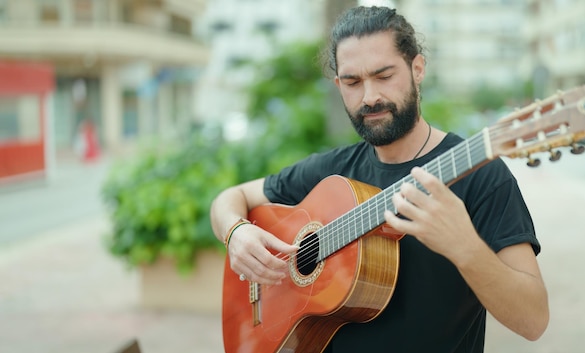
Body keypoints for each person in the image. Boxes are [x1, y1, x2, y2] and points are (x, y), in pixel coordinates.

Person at [210, 5, 549, 353]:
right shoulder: (331, 172)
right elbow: (230, 197)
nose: (369, 97)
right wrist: (235, 232)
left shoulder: (481, 175)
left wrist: (465, 247)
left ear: (417, 69)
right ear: (339, 85)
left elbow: (533, 320)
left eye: (384, 76)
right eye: (354, 82)